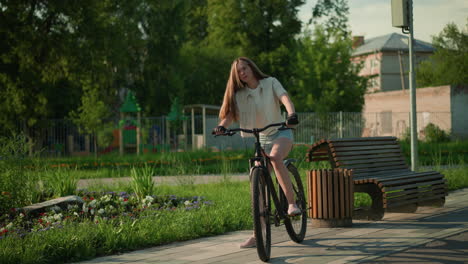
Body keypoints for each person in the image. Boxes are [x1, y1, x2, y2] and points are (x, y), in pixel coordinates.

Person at [212, 57, 300, 248]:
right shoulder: (239, 95)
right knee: (257, 181)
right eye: (239, 71)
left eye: (245, 68)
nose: (243, 72)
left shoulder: (270, 83)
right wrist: (221, 126)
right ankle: (257, 234)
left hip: (281, 132)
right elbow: (229, 116)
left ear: (251, 67)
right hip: (260, 138)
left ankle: (292, 204)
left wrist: (291, 114)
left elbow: (285, 98)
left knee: (275, 158)